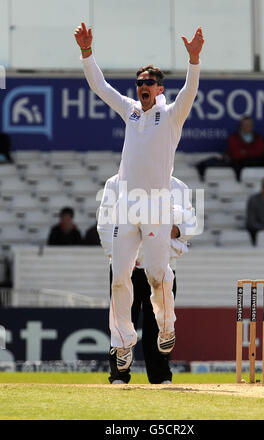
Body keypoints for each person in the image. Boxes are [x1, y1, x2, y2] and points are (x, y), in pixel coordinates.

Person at [74, 22, 204, 371]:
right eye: (140, 82)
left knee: (158, 276)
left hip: (157, 206)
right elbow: (100, 86)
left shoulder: (172, 113)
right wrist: (87, 54)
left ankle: (166, 327)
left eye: (148, 83)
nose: (142, 87)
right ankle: (123, 343)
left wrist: (194, 60)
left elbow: (190, 92)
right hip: (127, 207)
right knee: (119, 276)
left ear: (159, 88)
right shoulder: (131, 110)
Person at [98, 174, 197, 384]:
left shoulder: (178, 186)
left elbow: (191, 222)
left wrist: (177, 230)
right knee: (123, 320)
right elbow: (105, 226)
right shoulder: (115, 184)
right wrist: (121, 256)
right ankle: (119, 375)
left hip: (162, 266)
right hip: (126, 268)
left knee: (158, 323)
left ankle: (161, 376)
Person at [227, 116, 264, 180]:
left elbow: (260, 152)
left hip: (255, 164)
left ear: (252, 126)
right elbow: (235, 154)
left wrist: (245, 152)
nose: (247, 126)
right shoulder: (233, 137)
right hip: (239, 166)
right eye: (245, 124)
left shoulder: (258, 138)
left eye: (249, 125)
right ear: (240, 126)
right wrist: (252, 151)